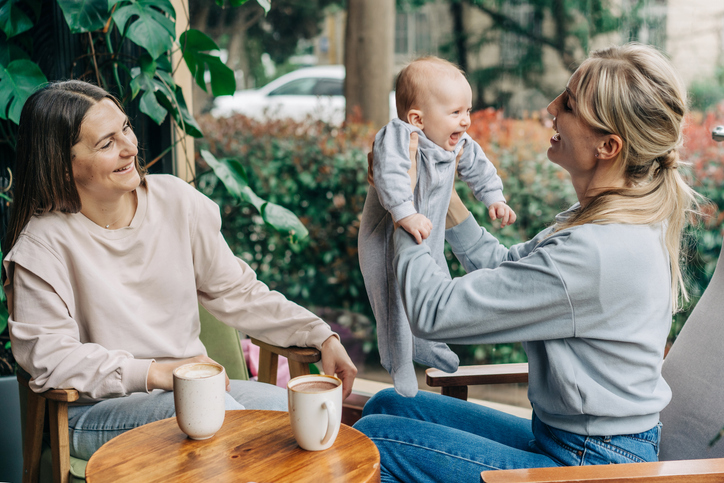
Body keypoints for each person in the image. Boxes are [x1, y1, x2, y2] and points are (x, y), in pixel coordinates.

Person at [353, 43, 700, 482]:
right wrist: (444, 191)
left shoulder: (595, 251)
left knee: (373, 443)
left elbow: (433, 312)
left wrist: (406, 204)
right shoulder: (608, 221)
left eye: (569, 104)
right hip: (577, 443)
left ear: (608, 146)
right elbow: (500, 266)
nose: (550, 107)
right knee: (390, 405)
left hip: (593, 466)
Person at [2, 80, 356, 460]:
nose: (130, 147)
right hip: (93, 413)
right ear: (63, 166)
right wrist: (158, 372)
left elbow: (239, 293)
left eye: (125, 128)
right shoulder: (41, 248)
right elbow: (51, 358)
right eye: (106, 143)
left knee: (302, 418)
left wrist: (322, 337)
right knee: (222, 422)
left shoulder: (175, 201)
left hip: (196, 392)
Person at [359, 56, 516, 397]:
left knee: (436, 283)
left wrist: (494, 198)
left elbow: (478, 167)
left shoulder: (455, 143)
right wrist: (404, 212)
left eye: (468, 111)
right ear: (417, 118)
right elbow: (390, 175)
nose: (466, 121)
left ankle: (426, 343)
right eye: (456, 112)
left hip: (428, 231)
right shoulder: (398, 137)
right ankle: (398, 360)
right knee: (392, 297)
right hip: (387, 234)